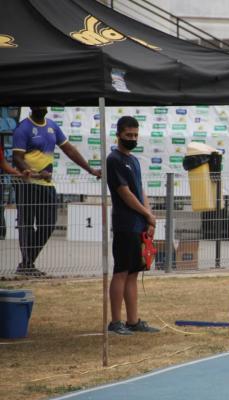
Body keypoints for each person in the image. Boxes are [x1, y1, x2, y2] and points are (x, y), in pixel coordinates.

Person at [12, 106, 101, 277]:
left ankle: (26, 263)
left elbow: (70, 150)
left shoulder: (52, 126)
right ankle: (28, 264)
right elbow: (17, 157)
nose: (41, 106)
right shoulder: (23, 128)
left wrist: (91, 170)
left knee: (48, 224)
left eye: (44, 104)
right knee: (27, 225)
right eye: (37, 104)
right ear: (31, 107)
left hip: (46, 183)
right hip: (26, 184)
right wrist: (29, 171)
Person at [106, 116, 159, 335]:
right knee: (121, 271)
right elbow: (124, 193)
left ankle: (133, 320)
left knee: (133, 273)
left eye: (135, 135)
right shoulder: (114, 159)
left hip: (138, 224)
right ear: (118, 134)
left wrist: (148, 217)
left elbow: (140, 190)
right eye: (128, 135)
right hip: (125, 224)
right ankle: (116, 321)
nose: (132, 139)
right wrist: (146, 213)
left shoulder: (134, 160)